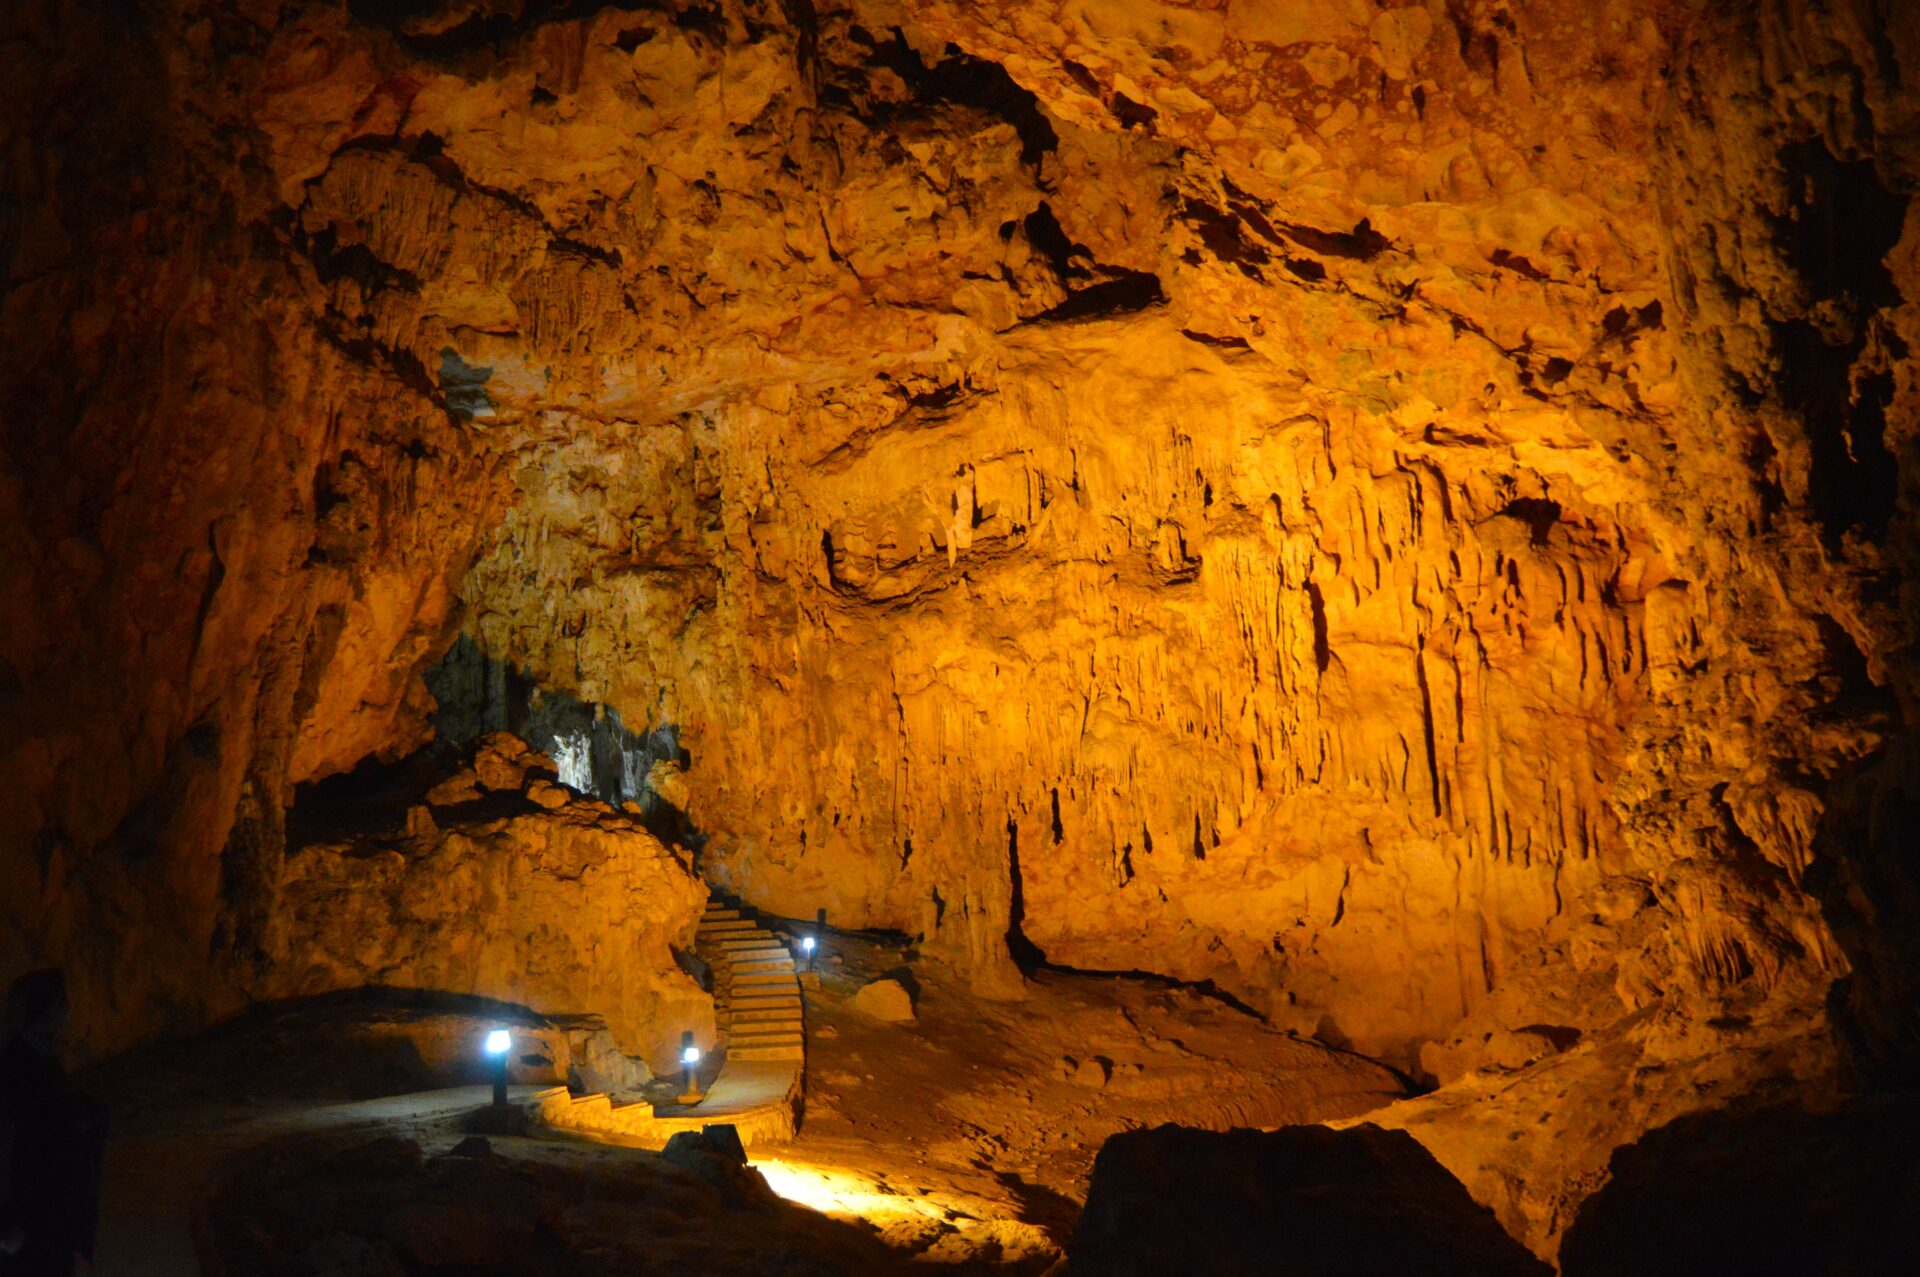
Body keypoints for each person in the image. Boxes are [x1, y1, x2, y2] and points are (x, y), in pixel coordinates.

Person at [0, 970, 105, 1277]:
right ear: (45, 1009)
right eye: (63, 1004)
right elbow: (21, 1150)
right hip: (34, 1227)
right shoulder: (19, 1071)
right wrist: (16, 1225)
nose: (68, 1014)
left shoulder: (42, 1065)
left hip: (48, 1224)